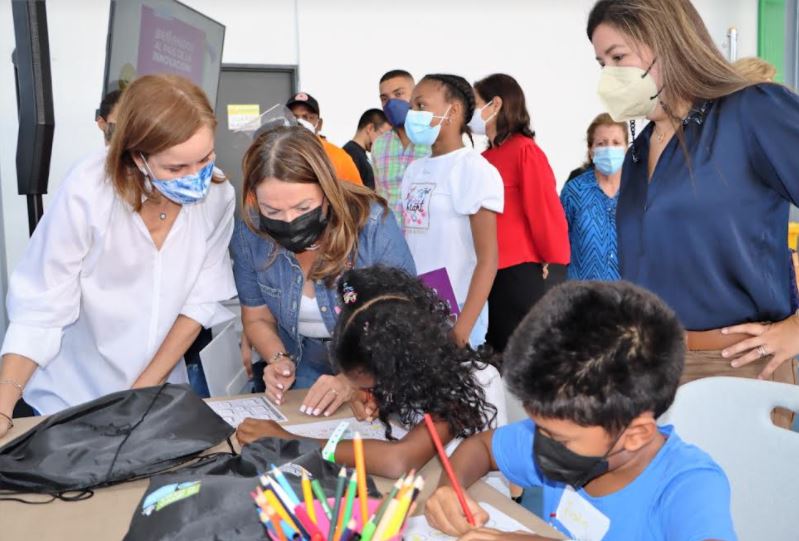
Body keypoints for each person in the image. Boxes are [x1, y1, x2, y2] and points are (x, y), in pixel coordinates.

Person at [0, 74, 237, 429]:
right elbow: (40, 307)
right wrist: (4, 404)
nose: (196, 177)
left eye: (204, 159)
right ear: (137, 156)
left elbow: (199, 303)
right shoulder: (88, 192)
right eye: (176, 168)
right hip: (71, 400)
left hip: (155, 398)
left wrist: (140, 392)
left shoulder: (218, 197)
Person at [588, 0, 799, 390]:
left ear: (665, 42)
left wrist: (797, 329)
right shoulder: (638, 153)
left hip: (738, 366)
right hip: (652, 367)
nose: (609, 76)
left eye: (618, 57)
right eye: (602, 64)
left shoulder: (750, 111)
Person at [424, 281, 737, 541]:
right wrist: (451, 490)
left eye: (558, 439)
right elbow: (481, 447)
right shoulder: (566, 432)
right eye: (539, 429)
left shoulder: (689, 486)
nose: (541, 444)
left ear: (636, 433)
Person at [236, 266, 503, 478]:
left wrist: (289, 441)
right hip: (424, 488)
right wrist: (363, 395)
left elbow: (399, 461)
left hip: (475, 507)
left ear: (396, 365)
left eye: (369, 382)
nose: (368, 390)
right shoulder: (416, 370)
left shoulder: (469, 382)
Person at [230, 126, 415, 420]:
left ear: (327, 192)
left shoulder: (373, 226)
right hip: (304, 362)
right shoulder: (249, 235)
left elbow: (403, 323)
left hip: (377, 361)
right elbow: (257, 318)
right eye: (272, 212)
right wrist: (277, 359)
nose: (289, 221)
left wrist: (352, 380)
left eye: (303, 207)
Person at [401, 74, 503, 348]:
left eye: (421, 106)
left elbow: (488, 259)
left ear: (454, 111)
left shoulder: (474, 170)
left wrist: (461, 330)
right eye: (411, 107)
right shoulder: (413, 170)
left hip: (457, 309)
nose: (413, 114)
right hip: (416, 307)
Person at [472, 73, 570, 352]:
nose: (471, 111)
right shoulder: (482, 159)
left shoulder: (524, 151)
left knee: (520, 357)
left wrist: (550, 258)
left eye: (476, 103)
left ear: (496, 104)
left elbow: (543, 210)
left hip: (517, 272)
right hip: (485, 273)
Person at [560, 113, 628, 281]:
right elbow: (559, 241)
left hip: (628, 297)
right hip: (583, 296)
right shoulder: (574, 191)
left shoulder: (638, 190)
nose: (609, 149)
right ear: (591, 150)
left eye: (616, 143)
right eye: (601, 144)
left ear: (626, 148)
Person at [372, 70, 431, 222]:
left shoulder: (433, 140)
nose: (391, 103)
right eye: (384, 98)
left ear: (415, 94)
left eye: (398, 94)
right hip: (391, 240)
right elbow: (380, 198)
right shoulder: (379, 145)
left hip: (427, 241)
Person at [286, 92, 364, 186]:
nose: (299, 123)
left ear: (319, 124)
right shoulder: (277, 153)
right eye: (293, 117)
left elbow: (357, 197)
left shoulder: (338, 157)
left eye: (307, 117)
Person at [342, 108, 391, 190]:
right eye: (383, 135)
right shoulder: (350, 154)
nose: (385, 142)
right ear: (370, 128)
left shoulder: (360, 155)